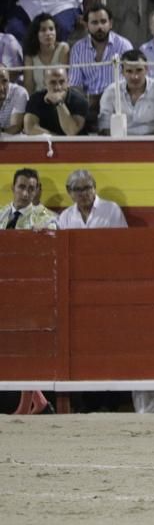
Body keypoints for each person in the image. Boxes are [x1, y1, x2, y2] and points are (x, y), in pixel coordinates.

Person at [3, 167, 58, 416]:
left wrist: (44, 237)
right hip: (3, 288)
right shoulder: (1, 214)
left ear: (37, 191)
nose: (25, 193)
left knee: (26, 346)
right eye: (22, 187)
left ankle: (29, 404)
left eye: (31, 188)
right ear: (13, 188)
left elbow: (55, 244)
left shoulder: (45, 219)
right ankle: (40, 402)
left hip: (29, 291)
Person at [68, 3, 134, 124]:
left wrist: (105, 97)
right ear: (87, 25)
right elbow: (75, 85)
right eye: (94, 22)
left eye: (103, 22)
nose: (100, 26)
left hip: (117, 103)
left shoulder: (124, 45)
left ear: (110, 24)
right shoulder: (78, 48)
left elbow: (131, 80)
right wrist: (86, 101)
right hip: (88, 105)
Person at [98, 49, 154, 136]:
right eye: (129, 71)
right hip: (121, 143)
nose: (135, 76)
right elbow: (104, 127)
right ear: (122, 72)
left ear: (146, 69)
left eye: (139, 70)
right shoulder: (111, 92)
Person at [23, 68, 87, 135]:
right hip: (48, 142)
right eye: (53, 82)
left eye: (62, 82)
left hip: (75, 144)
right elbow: (29, 128)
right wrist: (55, 138)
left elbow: (71, 131)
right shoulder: (35, 98)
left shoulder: (79, 100)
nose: (58, 87)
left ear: (68, 82)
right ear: (45, 83)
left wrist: (59, 102)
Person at [57, 168, 126, 229]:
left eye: (87, 188)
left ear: (94, 187)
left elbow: (123, 238)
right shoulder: (65, 216)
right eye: (78, 189)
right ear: (69, 192)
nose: (84, 194)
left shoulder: (111, 209)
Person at [21, 12, 70, 94]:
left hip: (59, 94)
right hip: (38, 99)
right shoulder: (30, 56)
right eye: (43, 30)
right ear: (36, 34)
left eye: (51, 29)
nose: (48, 33)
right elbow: (28, 86)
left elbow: (63, 81)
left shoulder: (63, 48)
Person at [0, 63, 27, 134]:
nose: (1, 88)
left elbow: (15, 127)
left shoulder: (19, 93)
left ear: (9, 80)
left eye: (4, 81)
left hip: (14, 143)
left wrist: (1, 132)